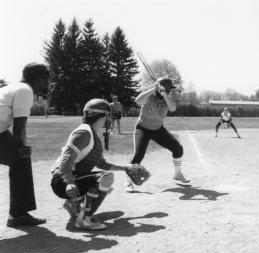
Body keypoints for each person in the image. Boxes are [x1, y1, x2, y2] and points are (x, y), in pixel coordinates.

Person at [50, 99, 133, 230]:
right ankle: (84, 219)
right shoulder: (84, 132)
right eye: (108, 115)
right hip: (63, 181)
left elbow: (101, 163)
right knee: (105, 179)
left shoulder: (90, 132)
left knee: (103, 182)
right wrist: (69, 182)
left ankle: (73, 205)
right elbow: (66, 159)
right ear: (104, 115)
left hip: (70, 178)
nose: (109, 118)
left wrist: (124, 169)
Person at [0, 63, 50, 227]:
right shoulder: (25, 90)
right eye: (46, 79)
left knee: (20, 159)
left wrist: (20, 147)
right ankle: (18, 215)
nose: (47, 84)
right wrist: (21, 147)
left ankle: (18, 214)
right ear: (38, 79)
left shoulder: (13, 87)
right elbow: (19, 126)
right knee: (21, 159)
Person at [125, 77, 189, 192]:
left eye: (171, 89)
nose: (170, 90)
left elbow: (173, 108)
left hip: (158, 129)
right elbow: (137, 101)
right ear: (159, 88)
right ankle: (128, 182)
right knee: (138, 155)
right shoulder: (150, 96)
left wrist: (165, 94)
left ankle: (177, 174)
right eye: (168, 88)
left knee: (178, 148)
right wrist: (152, 89)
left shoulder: (168, 97)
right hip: (143, 128)